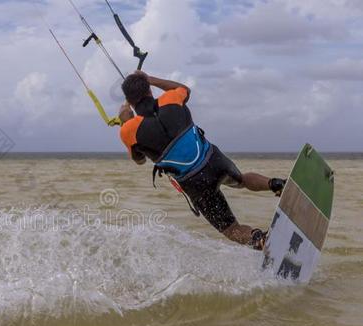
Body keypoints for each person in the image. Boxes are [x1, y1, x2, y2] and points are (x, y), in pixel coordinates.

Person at [118, 71, 285, 250]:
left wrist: (125, 121)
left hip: (195, 184)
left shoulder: (129, 130)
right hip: (213, 161)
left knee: (232, 229)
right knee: (242, 180)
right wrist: (149, 78)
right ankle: (276, 184)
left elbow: (139, 160)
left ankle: (259, 239)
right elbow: (184, 89)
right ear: (150, 90)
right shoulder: (172, 98)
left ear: (130, 101)